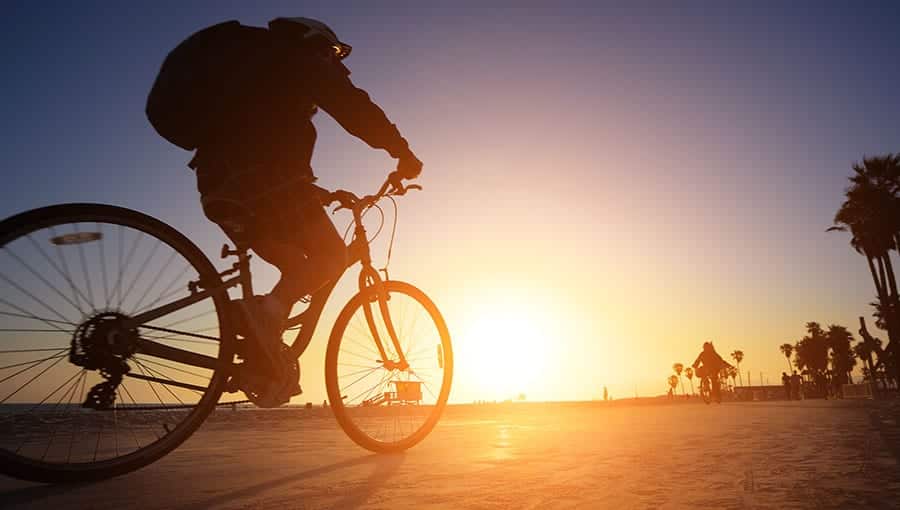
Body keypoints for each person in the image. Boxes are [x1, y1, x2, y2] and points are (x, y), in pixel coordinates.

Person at [147, 18, 422, 403]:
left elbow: (259, 137)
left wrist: (317, 193)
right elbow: (353, 107)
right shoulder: (297, 58)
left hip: (219, 186)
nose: (335, 61)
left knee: (296, 266)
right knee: (332, 257)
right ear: (314, 42)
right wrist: (402, 152)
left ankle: (262, 348)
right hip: (265, 181)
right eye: (333, 52)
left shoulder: (255, 73)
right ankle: (264, 314)